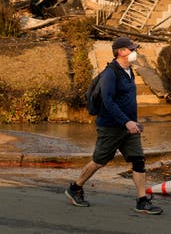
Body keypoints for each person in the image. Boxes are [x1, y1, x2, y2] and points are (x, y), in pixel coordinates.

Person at [65, 36, 163, 215]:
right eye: (131, 49)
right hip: (110, 127)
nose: (135, 52)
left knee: (138, 160)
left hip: (129, 127)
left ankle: (142, 201)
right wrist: (126, 121)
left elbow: (126, 99)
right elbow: (108, 101)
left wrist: (132, 122)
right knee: (98, 161)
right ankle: (75, 187)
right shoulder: (110, 73)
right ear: (121, 52)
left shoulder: (129, 71)